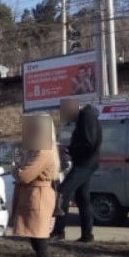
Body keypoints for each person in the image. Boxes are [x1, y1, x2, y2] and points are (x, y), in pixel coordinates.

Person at [10, 113, 60, 257]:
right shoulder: (35, 150)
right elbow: (21, 171)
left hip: (38, 198)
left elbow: (24, 175)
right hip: (33, 196)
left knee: (40, 243)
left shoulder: (43, 151)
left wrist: (16, 169)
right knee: (37, 242)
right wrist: (18, 170)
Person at [52, 97, 102, 242]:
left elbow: (88, 143)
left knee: (62, 192)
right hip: (85, 163)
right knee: (83, 199)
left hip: (85, 164)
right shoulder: (84, 118)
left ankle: (58, 232)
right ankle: (87, 235)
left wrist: (68, 149)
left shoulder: (87, 118)